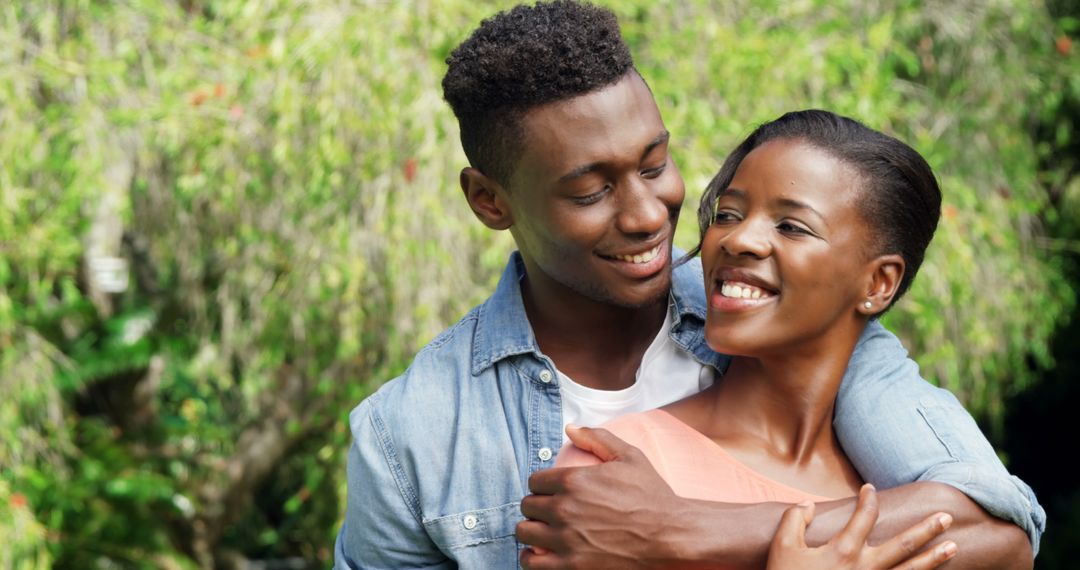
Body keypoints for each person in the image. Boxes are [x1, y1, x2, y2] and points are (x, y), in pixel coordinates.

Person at [334, 2, 1042, 568]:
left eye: (654, 164)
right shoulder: (413, 434)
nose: (649, 215)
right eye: (590, 191)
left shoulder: (782, 317)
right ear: (490, 202)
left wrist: (679, 532)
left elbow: (996, 521)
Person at [547, 109, 962, 568]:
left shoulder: (899, 505)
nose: (738, 239)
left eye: (791, 227)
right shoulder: (615, 472)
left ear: (878, 283)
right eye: (727, 214)